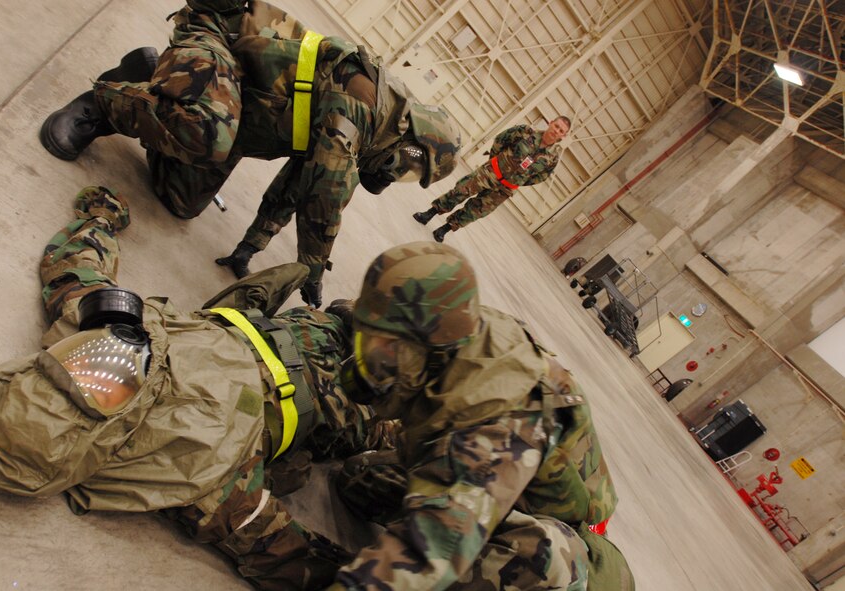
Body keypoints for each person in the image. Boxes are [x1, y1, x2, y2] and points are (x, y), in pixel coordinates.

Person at [0, 186, 397, 590]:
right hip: (316, 377)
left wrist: (102, 218)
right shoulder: (197, 482)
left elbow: (287, 552)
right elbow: (77, 267)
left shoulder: (197, 483)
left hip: (305, 360)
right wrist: (103, 214)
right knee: (377, 418)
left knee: (366, 376)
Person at [39, 0, 461, 308]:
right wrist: (313, 268)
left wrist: (250, 246)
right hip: (218, 40)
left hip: (236, 99)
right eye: (411, 169)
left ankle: (155, 80)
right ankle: (103, 104)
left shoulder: (369, 135)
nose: (399, 175)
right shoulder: (363, 102)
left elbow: (296, 186)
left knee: (181, 200)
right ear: (411, 144)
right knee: (208, 134)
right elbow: (323, 194)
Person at [324, 241, 634, 590]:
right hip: (505, 482)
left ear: (429, 348)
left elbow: (430, 550)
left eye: (387, 348)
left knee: (527, 562)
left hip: (566, 538)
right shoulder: (455, 325)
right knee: (362, 479)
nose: (374, 358)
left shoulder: (498, 424)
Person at [414, 116, 570, 242]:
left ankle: (444, 229)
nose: (556, 131)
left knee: (476, 210)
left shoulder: (552, 159)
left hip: (505, 189)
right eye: (556, 126)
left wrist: (519, 181)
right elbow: (501, 140)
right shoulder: (525, 132)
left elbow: (540, 177)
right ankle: (429, 213)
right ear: (550, 123)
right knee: (460, 191)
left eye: (561, 130)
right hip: (490, 172)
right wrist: (494, 161)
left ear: (563, 136)